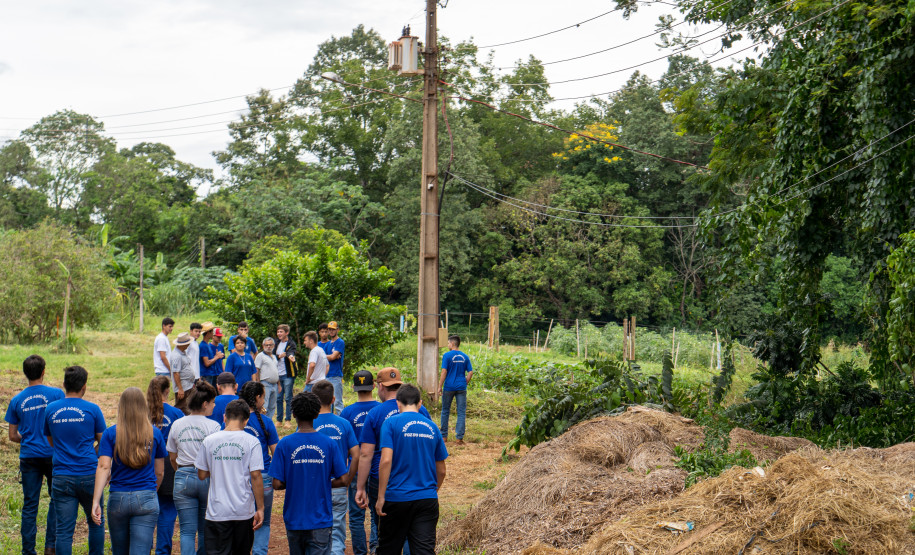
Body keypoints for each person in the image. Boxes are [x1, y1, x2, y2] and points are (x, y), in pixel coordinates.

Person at [355, 368, 432, 555]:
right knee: (412, 531)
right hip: (416, 480)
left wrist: (360, 487)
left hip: (381, 479)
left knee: (385, 528)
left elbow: (366, 454)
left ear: (380, 386)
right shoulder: (422, 412)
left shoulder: (375, 413)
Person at [271, 392, 349, 555]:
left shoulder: (284, 444)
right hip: (320, 519)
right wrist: (325, 483)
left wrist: (293, 481)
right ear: (316, 413)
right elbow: (343, 479)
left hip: (294, 519)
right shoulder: (329, 443)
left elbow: (277, 484)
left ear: (293, 415)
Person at [92, 388, 167, 555]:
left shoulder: (110, 433)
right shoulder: (155, 433)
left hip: (118, 498)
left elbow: (104, 467)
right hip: (146, 497)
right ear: (143, 407)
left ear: (122, 407)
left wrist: (96, 501)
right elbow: (160, 472)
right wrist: (150, 492)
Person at [376, 385, 448, 555]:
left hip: (396, 498)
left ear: (398, 403)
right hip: (426, 499)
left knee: (388, 549)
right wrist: (431, 491)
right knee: (423, 551)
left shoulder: (391, 423)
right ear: (420, 403)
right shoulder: (432, 427)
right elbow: (442, 470)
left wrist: (381, 496)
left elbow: (386, 460)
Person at [44, 365, 106, 555]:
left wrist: (65, 450)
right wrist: (90, 452)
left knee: (63, 531)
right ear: (84, 386)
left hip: (62, 476)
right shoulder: (93, 410)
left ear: (64, 384)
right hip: (89, 475)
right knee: (96, 523)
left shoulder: (51, 409)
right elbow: (103, 442)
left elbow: (51, 440)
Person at [6, 355, 64, 555]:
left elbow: (12, 436)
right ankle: (51, 547)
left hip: (29, 456)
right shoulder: (57, 394)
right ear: (43, 371)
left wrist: (29, 436)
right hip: (52, 454)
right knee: (56, 499)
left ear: (24, 373)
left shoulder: (16, 400)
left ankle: (28, 551)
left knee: (30, 505)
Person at [195, 400, 265, 555]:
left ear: (224, 417)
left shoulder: (209, 441)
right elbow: (256, 475)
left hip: (217, 511)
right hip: (243, 510)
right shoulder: (252, 442)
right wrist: (260, 507)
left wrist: (217, 466)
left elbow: (201, 475)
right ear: (246, 420)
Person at [168, 379, 221, 555]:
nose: (214, 406)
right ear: (205, 404)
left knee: (186, 531)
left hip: (183, 476)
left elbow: (173, 456)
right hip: (206, 478)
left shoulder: (177, 424)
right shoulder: (213, 426)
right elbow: (215, 458)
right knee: (205, 528)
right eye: (213, 402)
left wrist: (181, 471)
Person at [313, 381, 361, 555]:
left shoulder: (308, 424)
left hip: (314, 487)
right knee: (337, 535)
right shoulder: (343, 424)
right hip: (338, 486)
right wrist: (348, 478)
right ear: (333, 399)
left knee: (315, 534)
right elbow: (356, 454)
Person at [339, 371, 381, 555]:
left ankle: (360, 552)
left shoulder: (347, 412)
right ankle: (375, 547)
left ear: (353, 388)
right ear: (373, 386)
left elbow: (345, 444)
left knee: (356, 516)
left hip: (355, 468)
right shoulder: (380, 409)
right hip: (378, 468)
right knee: (376, 512)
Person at [238, 382, 279, 555]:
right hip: (263, 477)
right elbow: (275, 452)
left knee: (242, 520)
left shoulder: (236, 420)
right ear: (257, 398)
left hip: (239, 477)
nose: (264, 399)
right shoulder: (266, 422)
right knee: (264, 521)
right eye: (263, 396)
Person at [148, 376, 185, 555]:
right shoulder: (177, 413)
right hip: (170, 466)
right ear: (167, 391)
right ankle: (162, 551)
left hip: (147, 465)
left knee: (146, 511)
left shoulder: (143, 412)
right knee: (167, 511)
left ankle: (144, 546)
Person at [438, 335, 473, 445]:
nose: (448, 345)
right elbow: (470, 372)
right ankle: (459, 438)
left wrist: (440, 386)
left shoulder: (447, 356)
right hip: (461, 387)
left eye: (448, 343)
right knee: (461, 412)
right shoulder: (465, 356)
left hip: (449, 387)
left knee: (445, 411)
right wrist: (465, 382)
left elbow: (444, 372)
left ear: (452, 344)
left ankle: (444, 437)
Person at [275, 324, 298, 424]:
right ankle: (279, 420)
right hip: (277, 375)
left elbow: (291, 352)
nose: (279, 334)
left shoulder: (291, 343)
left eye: (281, 332)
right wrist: (279, 356)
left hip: (288, 374)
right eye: (278, 332)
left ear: (286, 333)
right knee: (279, 398)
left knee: (288, 397)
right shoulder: (275, 343)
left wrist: (290, 356)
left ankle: (288, 419)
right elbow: (271, 355)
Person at [254, 337, 280, 420]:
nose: (268, 346)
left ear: (274, 345)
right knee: (264, 405)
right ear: (263, 345)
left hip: (274, 384)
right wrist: (258, 384)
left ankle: (269, 422)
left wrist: (279, 385)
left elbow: (276, 371)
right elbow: (256, 370)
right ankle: (262, 422)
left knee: (272, 406)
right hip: (265, 383)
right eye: (266, 345)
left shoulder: (274, 357)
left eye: (270, 345)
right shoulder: (260, 356)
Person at [323, 321, 346, 413]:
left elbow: (331, 357)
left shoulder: (340, 342)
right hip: (327, 375)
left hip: (336, 375)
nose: (331, 331)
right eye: (329, 329)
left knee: (337, 402)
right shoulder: (327, 344)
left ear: (337, 330)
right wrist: (332, 356)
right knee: (328, 402)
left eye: (333, 329)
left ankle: (342, 423)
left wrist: (331, 356)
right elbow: (323, 358)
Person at [169, 332, 195, 408]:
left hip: (188, 385)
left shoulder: (183, 352)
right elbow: (176, 373)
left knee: (188, 406)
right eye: (188, 343)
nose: (188, 345)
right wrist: (180, 389)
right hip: (183, 387)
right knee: (182, 407)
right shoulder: (176, 356)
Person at [199, 323, 225, 389]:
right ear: (208, 333)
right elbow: (207, 363)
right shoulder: (203, 346)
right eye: (211, 331)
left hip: (211, 374)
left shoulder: (206, 345)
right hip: (206, 375)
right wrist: (216, 357)